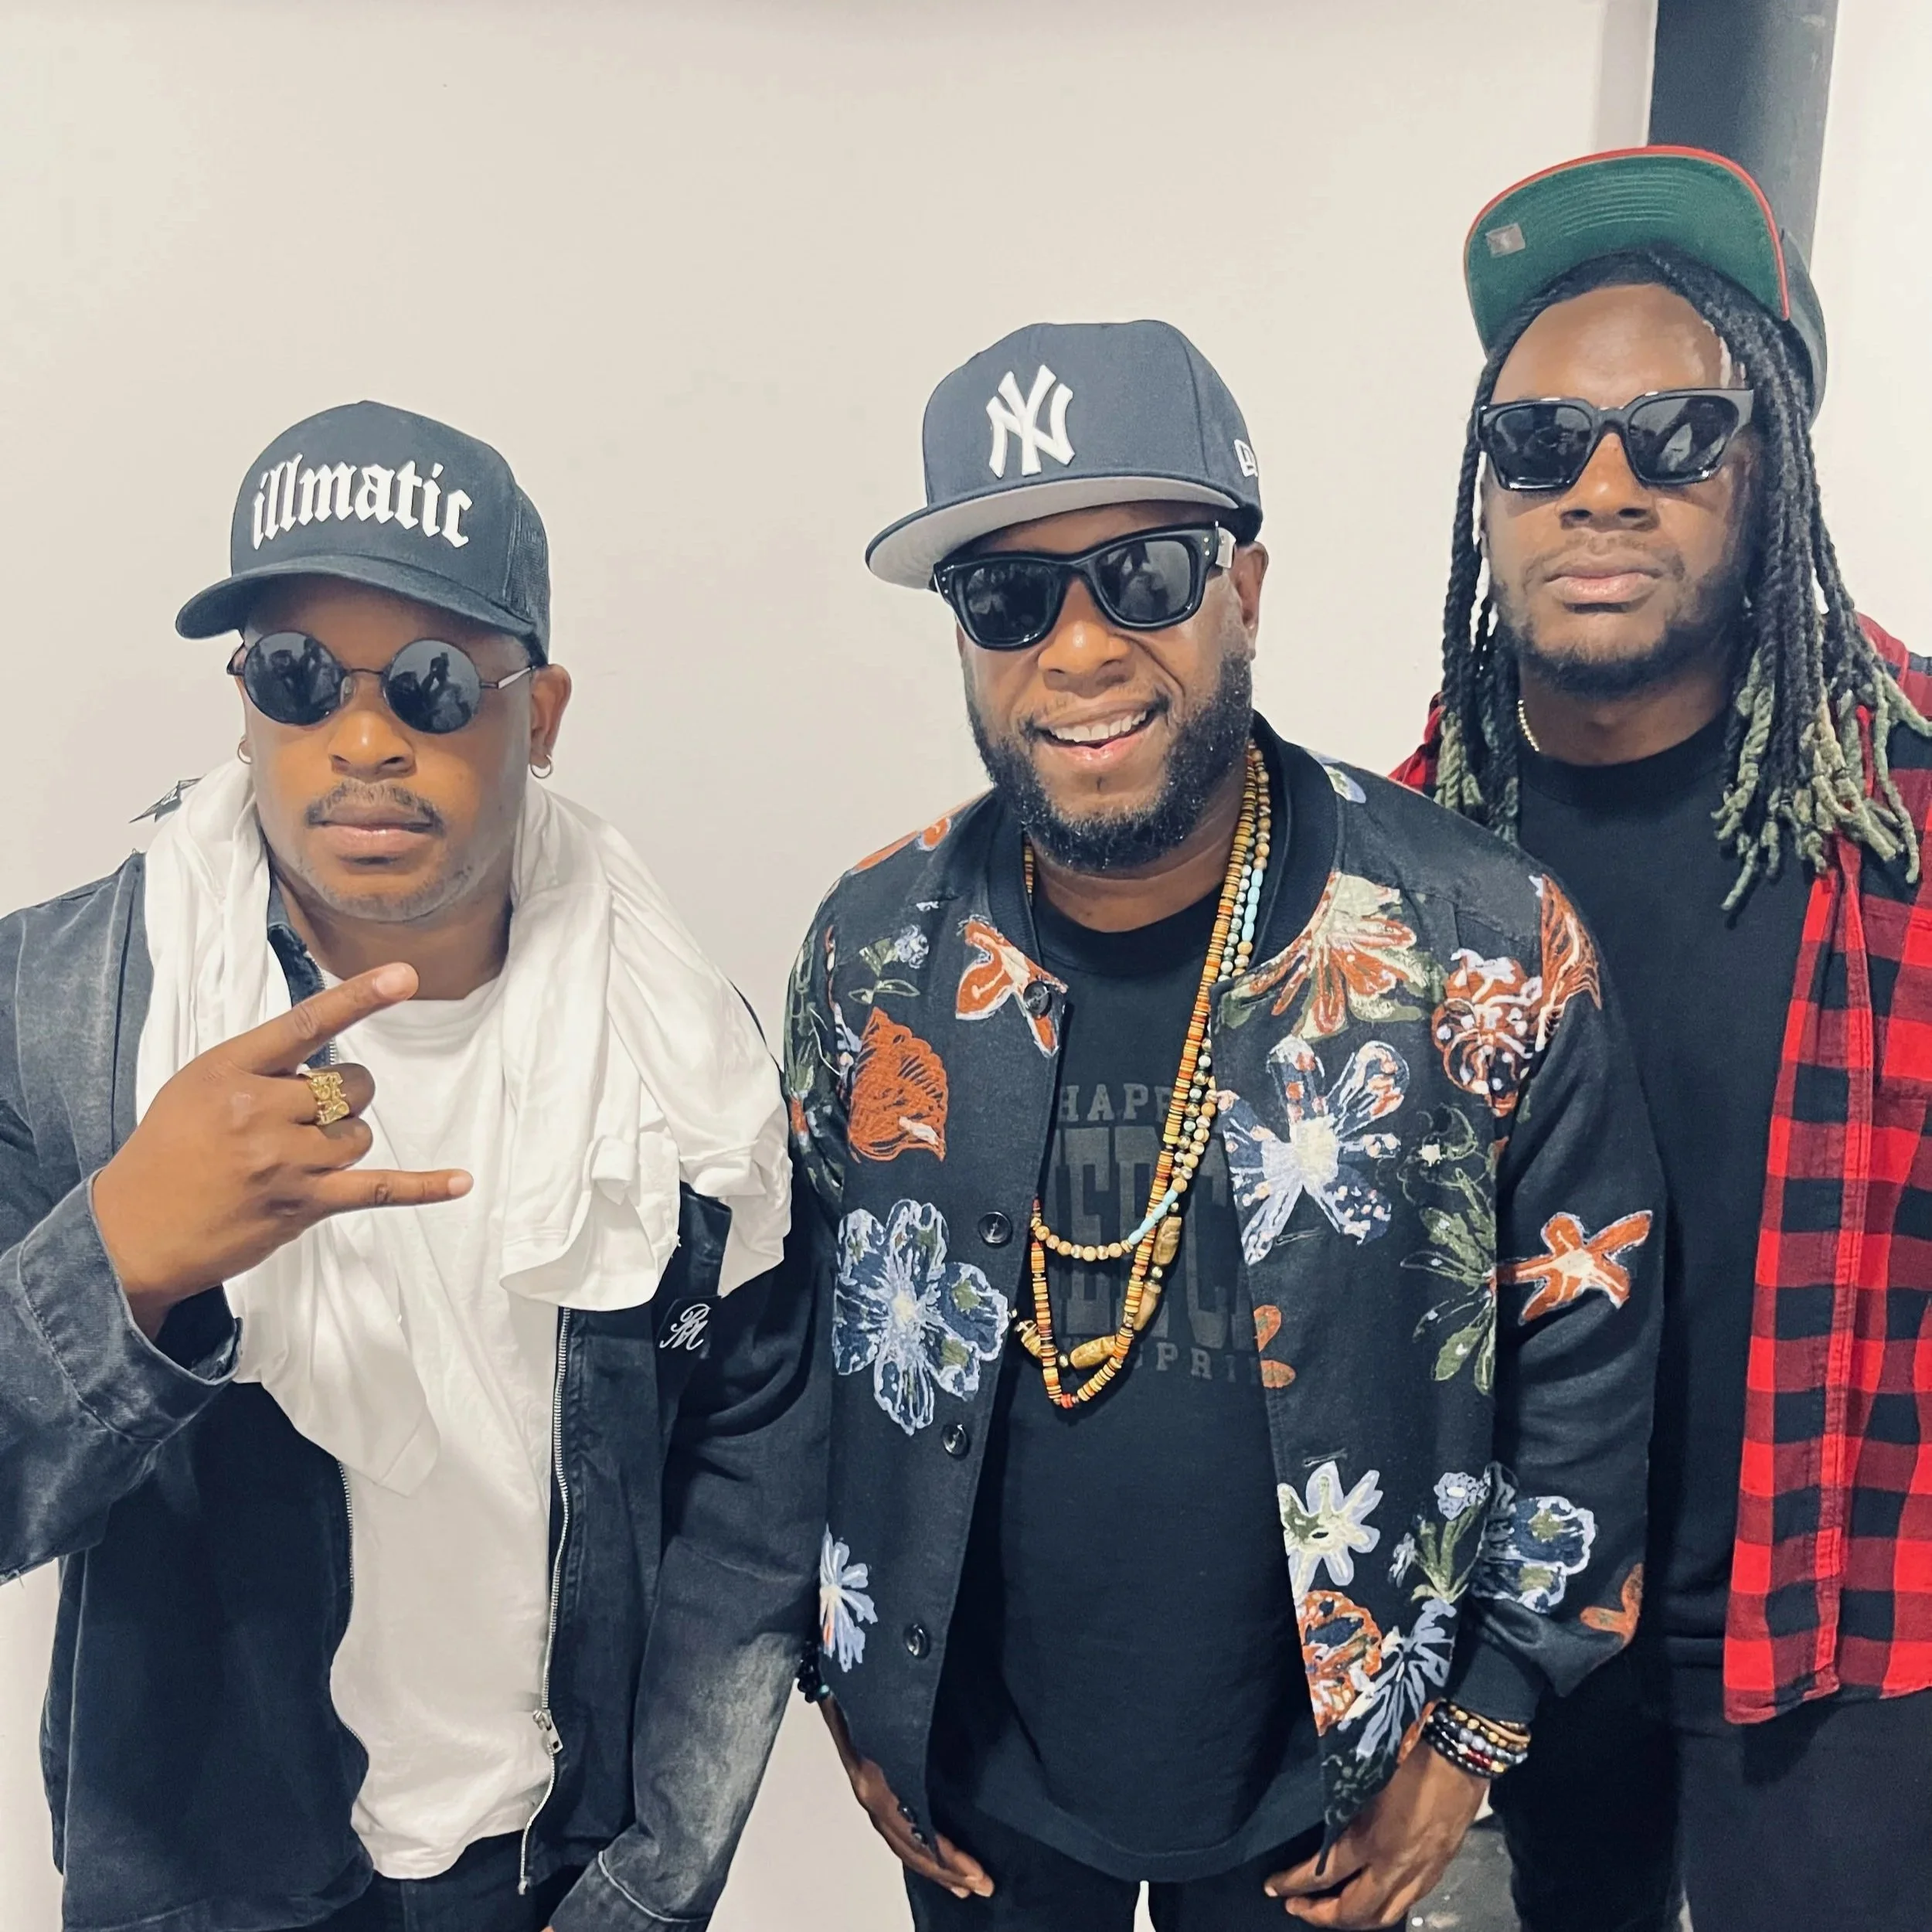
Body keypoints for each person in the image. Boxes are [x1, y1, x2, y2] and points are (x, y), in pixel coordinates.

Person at [785, 319, 1663, 1931]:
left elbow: (1589, 1357)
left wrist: (1477, 1724)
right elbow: (795, 1342)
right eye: (1006, 596)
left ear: (1241, 590)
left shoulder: (1475, 941)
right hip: (974, 1777)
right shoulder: (875, 951)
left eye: (1142, 575)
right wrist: (841, 1668)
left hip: (1327, 1783)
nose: (1077, 649)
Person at [0, 401, 819, 1932]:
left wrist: (652, 1879)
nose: (364, 741)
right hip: (213, 1878)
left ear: (541, 714)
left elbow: (755, 1478)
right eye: (298, 677)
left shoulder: (679, 1053)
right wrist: (121, 1257)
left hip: (547, 1868)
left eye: (433, 683)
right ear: (243, 702)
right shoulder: (60, 1018)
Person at [1398, 146, 1932, 1932]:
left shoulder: (1910, 805)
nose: (1600, 486)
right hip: (1522, 1639)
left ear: (1765, 464)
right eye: (1539, 442)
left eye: (1675, 434)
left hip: (1850, 1632)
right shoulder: (1401, 853)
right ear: (1485, 491)